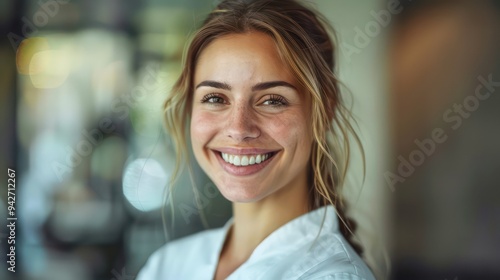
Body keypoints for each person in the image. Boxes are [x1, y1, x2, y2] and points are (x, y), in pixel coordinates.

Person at [137, 0, 376, 279]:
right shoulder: (167, 265)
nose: (239, 129)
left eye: (272, 101)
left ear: (324, 111)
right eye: (215, 98)